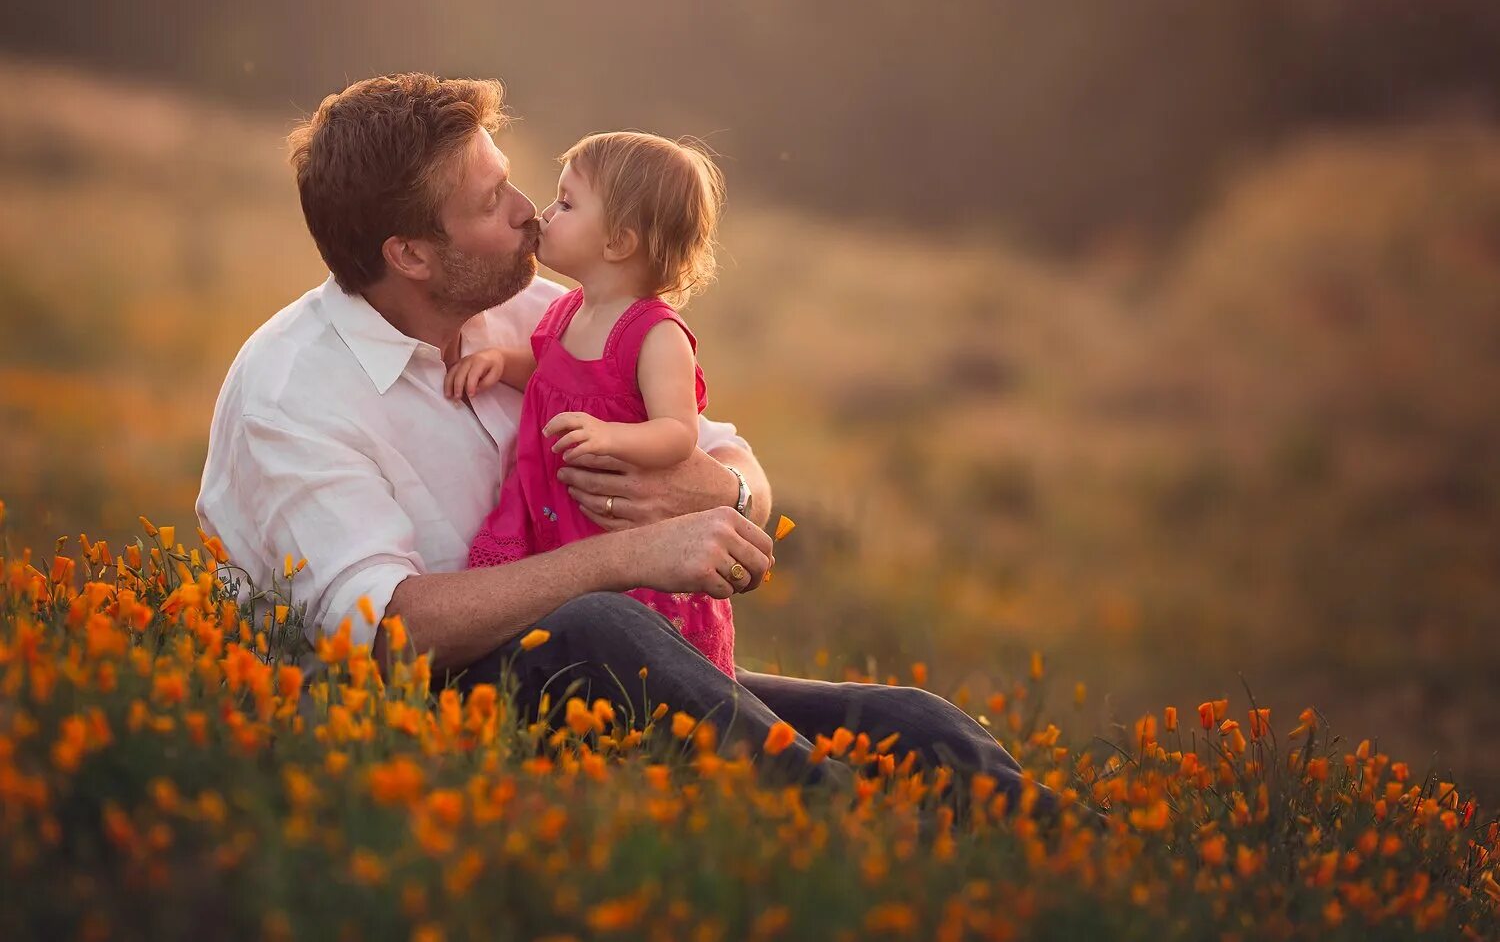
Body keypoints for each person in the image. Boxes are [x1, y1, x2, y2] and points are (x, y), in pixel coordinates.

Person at [197, 72, 1054, 808]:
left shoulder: (541, 309)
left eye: (514, 181)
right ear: (411, 254)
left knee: (909, 719)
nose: (531, 214)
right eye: (493, 203)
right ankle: (850, 824)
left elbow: (729, 457)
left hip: (610, 667)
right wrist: (627, 558)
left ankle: (1096, 854)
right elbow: (385, 632)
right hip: (403, 724)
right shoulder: (292, 394)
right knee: (594, 624)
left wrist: (722, 495)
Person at [446, 131, 738, 677]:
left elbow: (679, 431)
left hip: (621, 536)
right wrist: (502, 364)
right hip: (555, 514)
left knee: (637, 660)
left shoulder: (654, 334)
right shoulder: (570, 311)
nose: (545, 213)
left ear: (618, 242)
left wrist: (612, 437)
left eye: (567, 203)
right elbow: (557, 375)